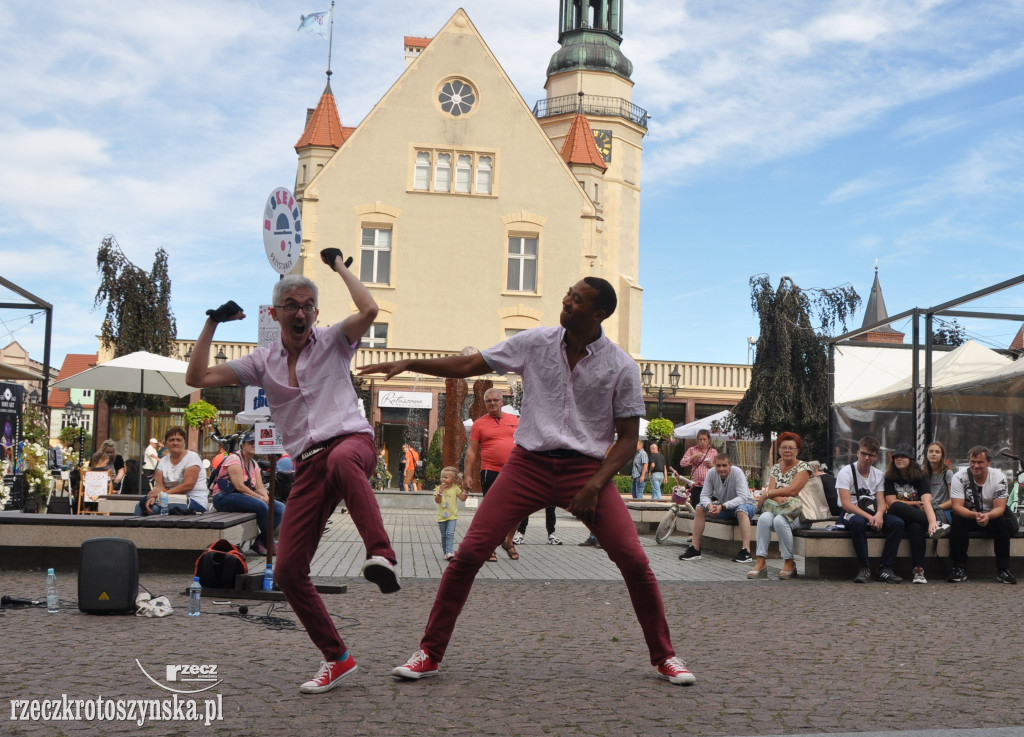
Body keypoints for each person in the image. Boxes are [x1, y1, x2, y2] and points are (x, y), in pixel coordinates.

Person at [361, 277, 695, 686]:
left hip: (585, 472)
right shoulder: (535, 342)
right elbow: (470, 364)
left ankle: (665, 656)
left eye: (577, 300)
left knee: (635, 562)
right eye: (568, 294)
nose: (566, 301)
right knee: (468, 556)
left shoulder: (620, 366)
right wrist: (411, 364)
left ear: (599, 313)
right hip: (527, 465)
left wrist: (594, 486)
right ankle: (429, 653)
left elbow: (627, 440)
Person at [184, 248, 400, 695]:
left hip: (350, 444)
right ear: (277, 313)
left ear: (315, 313)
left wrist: (340, 266)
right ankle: (337, 657)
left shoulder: (336, 340)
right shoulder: (262, 362)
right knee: (286, 573)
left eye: (307, 306)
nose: (300, 313)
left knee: (341, 459)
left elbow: (371, 309)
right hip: (307, 465)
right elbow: (197, 377)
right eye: (292, 307)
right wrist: (212, 321)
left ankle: (383, 555)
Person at [835, 436, 904, 584]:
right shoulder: (845, 472)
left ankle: (885, 568)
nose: (867, 458)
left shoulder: (879, 475)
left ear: (876, 457)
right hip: (852, 513)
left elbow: (881, 501)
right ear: (858, 453)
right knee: (857, 523)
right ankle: (864, 567)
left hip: (873, 512)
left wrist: (879, 514)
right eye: (864, 454)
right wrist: (869, 517)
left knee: (897, 523)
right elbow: (846, 504)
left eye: (871, 455)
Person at [464, 387, 521, 560]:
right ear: (485, 403)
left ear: (502, 401)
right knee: (492, 511)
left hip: (515, 471)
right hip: (491, 471)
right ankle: (489, 546)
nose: (492, 403)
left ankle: (508, 541)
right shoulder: (479, 424)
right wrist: (467, 474)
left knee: (519, 509)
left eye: (495, 400)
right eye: (488, 401)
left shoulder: (515, 420)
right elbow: (472, 451)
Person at [947, 446, 1016, 584]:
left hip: (992, 515)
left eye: (980, 462)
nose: (975, 466)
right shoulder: (959, 477)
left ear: (988, 463)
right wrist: (975, 515)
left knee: (1002, 523)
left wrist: (988, 516)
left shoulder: (999, 478)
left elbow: (1000, 508)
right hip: (969, 515)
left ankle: (1003, 569)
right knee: (957, 520)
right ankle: (959, 568)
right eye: (973, 461)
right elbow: (957, 506)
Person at [747, 432, 812, 579]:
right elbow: (772, 490)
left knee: (779, 520)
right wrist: (775, 496)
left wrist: (769, 494)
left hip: (801, 514)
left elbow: (793, 490)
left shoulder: (803, 467)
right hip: (779, 509)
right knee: (764, 518)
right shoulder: (776, 467)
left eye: (791, 448)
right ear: (779, 449)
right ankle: (761, 562)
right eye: (784, 447)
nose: (787, 451)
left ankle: (789, 562)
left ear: (797, 450)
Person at [212, 431, 286, 556]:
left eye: (256, 443)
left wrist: (268, 499)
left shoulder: (253, 464)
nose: (254, 445)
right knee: (261, 505)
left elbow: (260, 487)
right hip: (223, 497)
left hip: (241, 497)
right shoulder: (234, 459)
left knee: (279, 507)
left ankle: (260, 542)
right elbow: (239, 486)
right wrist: (262, 499)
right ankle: (270, 541)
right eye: (250, 442)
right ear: (243, 445)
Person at [678, 453, 755, 563]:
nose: (721, 469)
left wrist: (722, 506)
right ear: (714, 465)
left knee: (741, 510)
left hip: (746, 505)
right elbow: (704, 495)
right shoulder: (711, 473)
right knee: (700, 507)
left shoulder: (737, 472)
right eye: (718, 466)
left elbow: (743, 497)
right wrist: (710, 506)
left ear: (730, 465)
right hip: (724, 507)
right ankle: (695, 548)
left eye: (724, 465)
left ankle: (746, 551)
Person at [882, 443, 940, 584]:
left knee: (916, 527)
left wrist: (932, 522)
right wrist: (913, 503)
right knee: (897, 506)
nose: (899, 459)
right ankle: (935, 524)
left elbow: (926, 501)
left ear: (911, 459)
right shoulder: (889, 477)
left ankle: (918, 570)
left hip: (914, 518)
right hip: (896, 514)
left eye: (903, 456)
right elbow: (891, 502)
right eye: (896, 457)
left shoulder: (920, 477)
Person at [135, 426, 209, 515]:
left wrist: (161, 495)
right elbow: (159, 486)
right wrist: (154, 497)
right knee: (140, 505)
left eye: (179, 440)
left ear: (184, 442)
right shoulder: (163, 461)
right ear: (166, 443)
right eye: (171, 440)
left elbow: (188, 485)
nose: (175, 443)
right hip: (168, 498)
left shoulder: (192, 457)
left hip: (193, 500)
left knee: (155, 508)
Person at [434, 466, 468, 560]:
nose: (443, 479)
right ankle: (445, 552)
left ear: (453, 479)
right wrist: (440, 492)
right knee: (444, 535)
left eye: (446, 477)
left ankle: (449, 552)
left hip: (452, 516)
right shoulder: (438, 488)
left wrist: (466, 491)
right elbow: (437, 501)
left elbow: (462, 499)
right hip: (441, 517)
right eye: (442, 477)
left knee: (450, 534)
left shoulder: (455, 488)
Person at [679, 429, 717, 506]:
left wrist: (713, 466)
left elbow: (719, 468)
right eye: (700, 439)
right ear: (697, 440)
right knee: (696, 506)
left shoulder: (713, 452)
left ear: (709, 440)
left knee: (707, 506)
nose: (702, 441)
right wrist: (693, 457)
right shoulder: (692, 450)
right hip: (695, 484)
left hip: (708, 484)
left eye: (704, 439)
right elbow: (682, 463)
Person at [923, 441, 954, 524]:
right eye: (931, 451)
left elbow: (953, 500)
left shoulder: (948, 473)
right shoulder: (922, 474)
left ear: (942, 455)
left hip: (943, 510)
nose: (933, 454)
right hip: (926, 510)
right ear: (926, 454)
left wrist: (936, 508)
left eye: (937, 452)